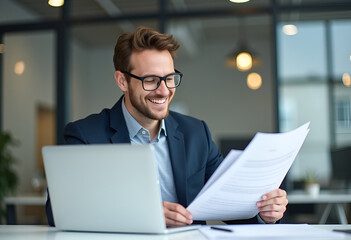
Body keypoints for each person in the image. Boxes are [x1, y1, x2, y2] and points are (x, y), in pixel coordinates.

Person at [46, 26, 288, 227]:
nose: (164, 90)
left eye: (170, 78)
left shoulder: (197, 134)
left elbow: (230, 202)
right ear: (122, 80)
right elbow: (59, 213)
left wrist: (263, 211)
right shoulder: (86, 136)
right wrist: (142, 215)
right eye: (150, 80)